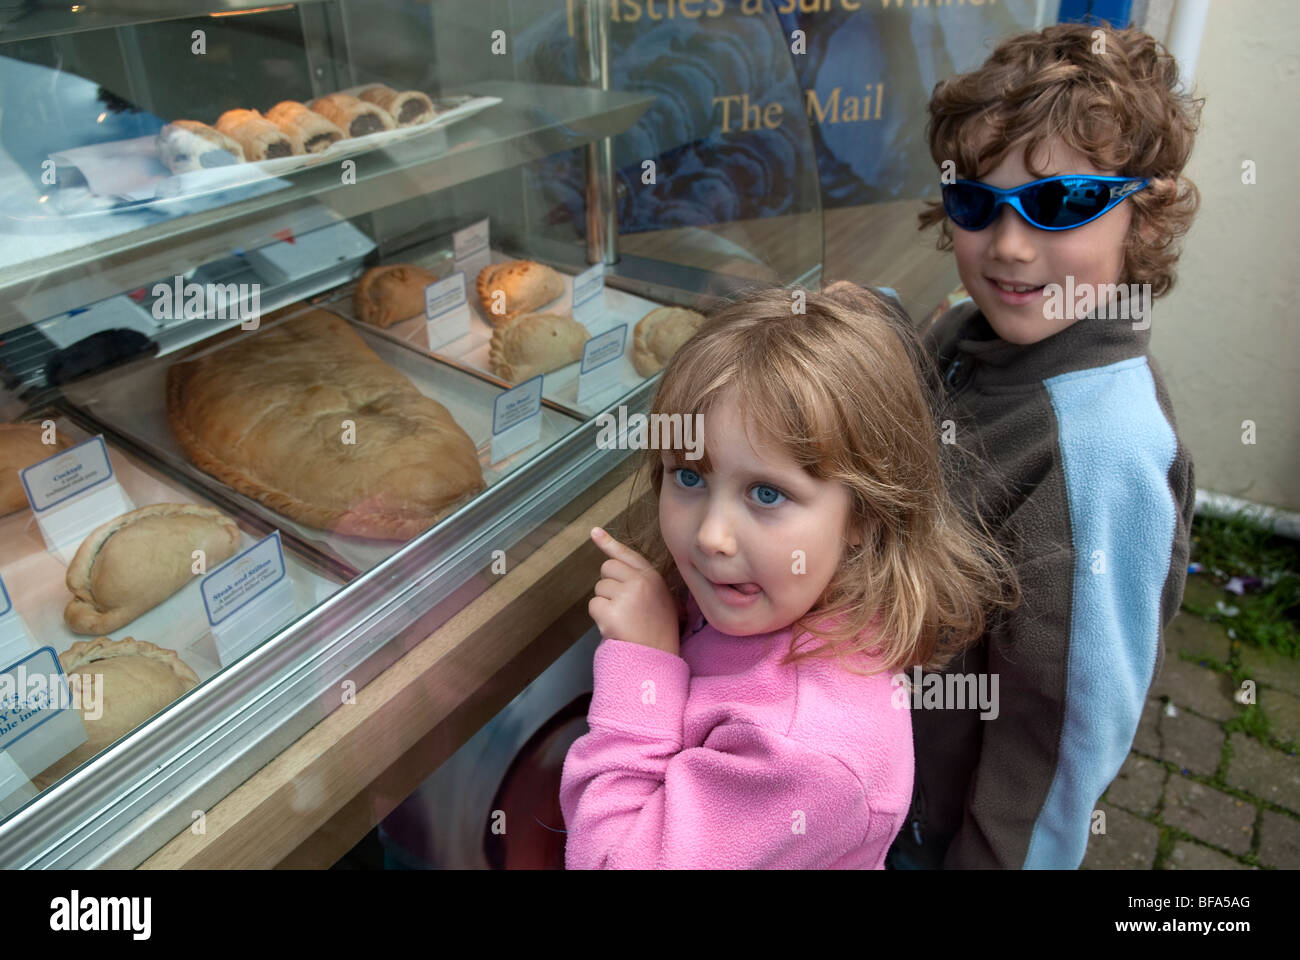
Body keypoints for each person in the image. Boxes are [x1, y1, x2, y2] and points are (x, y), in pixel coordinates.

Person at [882, 23, 1201, 869]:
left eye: (1062, 203)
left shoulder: (1102, 453)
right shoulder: (967, 331)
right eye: (978, 204)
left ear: (1147, 208)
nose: (1012, 246)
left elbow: (1064, 738)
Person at [559, 287, 1017, 869]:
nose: (711, 537)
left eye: (767, 493)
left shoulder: (804, 753)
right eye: (689, 478)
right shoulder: (789, 591)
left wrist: (643, 664)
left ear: (866, 515)